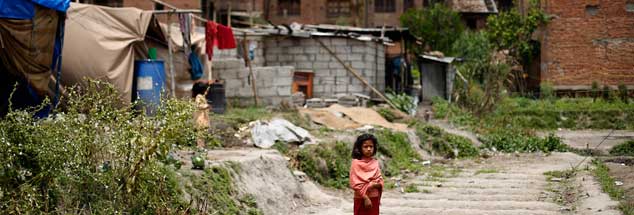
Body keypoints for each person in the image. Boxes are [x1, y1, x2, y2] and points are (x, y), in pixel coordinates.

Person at [349, 134, 384, 215]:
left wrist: (374, 185)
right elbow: (354, 184)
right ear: (359, 148)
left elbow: (380, 180)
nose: (369, 149)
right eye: (365, 146)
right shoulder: (356, 163)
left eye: (371, 146)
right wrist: (365, 198)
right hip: (361, 198)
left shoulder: (375, 162)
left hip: (374, 197)